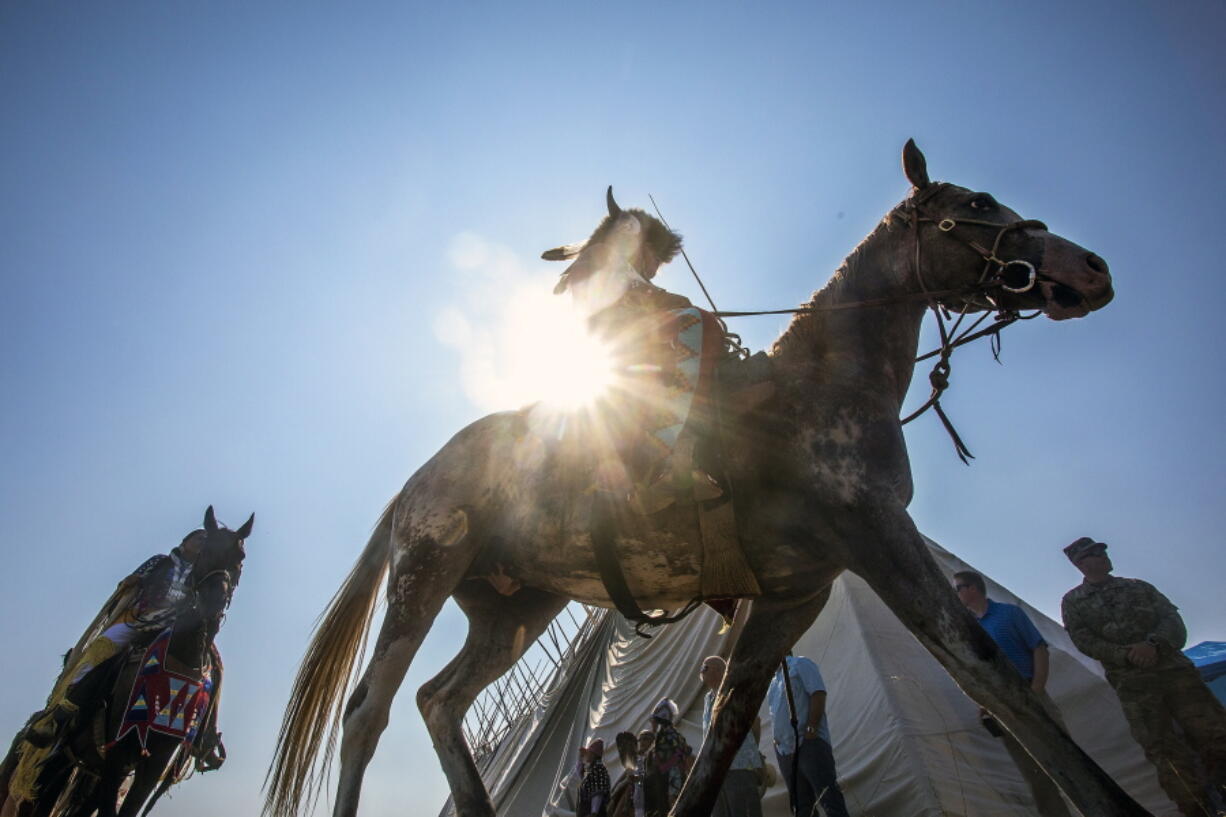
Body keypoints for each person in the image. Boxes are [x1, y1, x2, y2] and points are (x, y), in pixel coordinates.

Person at [1061, 536, 1226, 816]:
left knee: (1215, 735)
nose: (1103, 555)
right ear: (1081, 564)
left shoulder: (1138, 588)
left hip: (1177, 675)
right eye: (1094, 553)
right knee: (1165, 753)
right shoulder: (1074, 602)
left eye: (1102, 551)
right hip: (1135, 688)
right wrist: (1125, 655)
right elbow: (1084, 641)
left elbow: (1173, 622)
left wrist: (1152, 645)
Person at [25, 528, 208, 745]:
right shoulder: (160, 562)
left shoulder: (203, 576)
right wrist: (133, 581)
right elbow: (131, 581)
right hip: (139, 619)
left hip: (171, 628)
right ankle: (59, 715)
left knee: (208, 670)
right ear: (185, 541)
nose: (203, 542)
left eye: (207, 540)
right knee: (99, 652)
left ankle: (203, 737)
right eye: (198, 537)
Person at [953, 570, 1071, 817]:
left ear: (974, 588)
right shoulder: (969, 628)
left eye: (959, 588)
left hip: (1029, 690)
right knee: (1035, 775)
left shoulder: (1009, 614)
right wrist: (985, 703)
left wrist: (1036, 691)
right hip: (1001, 704)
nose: (957, 594)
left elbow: (1038, 648)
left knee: (1067, 762)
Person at [767, 654, 850, 817]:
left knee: (828, 797)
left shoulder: (801, 664)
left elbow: (818, 693)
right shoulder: (773, 682)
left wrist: (811, 730)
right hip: (785, 751)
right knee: (801, 806)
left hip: (808, 744)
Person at [699, 655, 764, 817]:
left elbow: (754, 722)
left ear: (720, 671)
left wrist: (752, 755)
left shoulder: (734, 691)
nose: (701, 671)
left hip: (739, 766)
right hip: (717, 769)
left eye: (705, 667)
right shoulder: (708, 698)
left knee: (742, 810)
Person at [642, 698, 692, 817]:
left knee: (672, 801)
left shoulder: (670, 733)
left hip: (673, 773)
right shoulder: (660, 735)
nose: (652, 724)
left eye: (654, 721)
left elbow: (684, 750)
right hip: (661, 775)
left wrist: (667, 765)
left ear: (660, 721)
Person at [578, 739, 611, 817]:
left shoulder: (598, 768)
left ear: (593, 754)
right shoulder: (591, 768)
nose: (587, 755)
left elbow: (598, 792)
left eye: (588, 753)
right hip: (586, 810)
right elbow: (578, 774)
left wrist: (594, 812)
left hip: (593, 813)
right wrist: (581, 759)